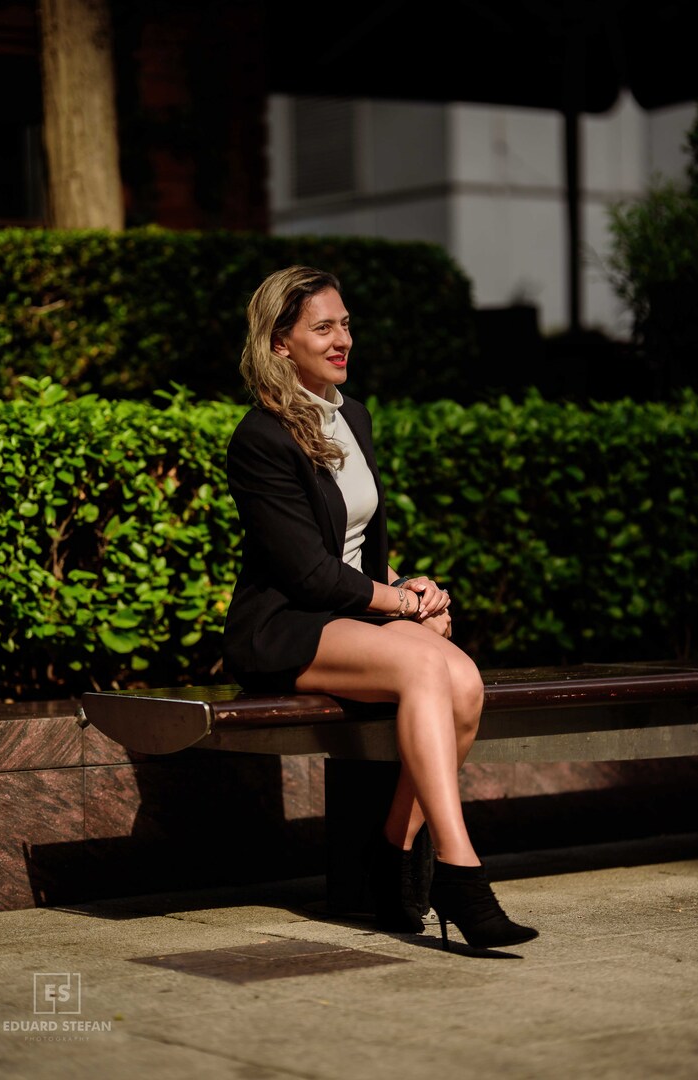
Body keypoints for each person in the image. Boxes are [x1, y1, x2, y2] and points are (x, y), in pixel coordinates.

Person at [222, 265, 538, 951]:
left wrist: (412, 591)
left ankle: (393, 853)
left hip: (344, 611)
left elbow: (354, 548)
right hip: (283, 626)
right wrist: (397, 605)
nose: (343, 340)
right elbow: (306, 571)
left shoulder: (351, 415)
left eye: (346, 325)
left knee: (462, 677)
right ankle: (458, 870)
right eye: (323, 328)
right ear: (280, 343)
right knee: (429, 672)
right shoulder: (260, 438)